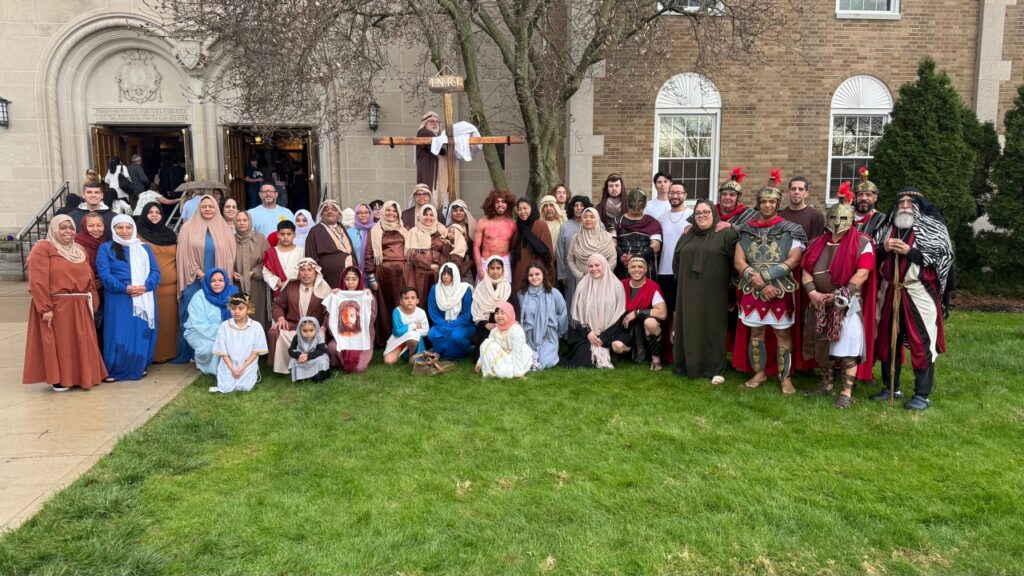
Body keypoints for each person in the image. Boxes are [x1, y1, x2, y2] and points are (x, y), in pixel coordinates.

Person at [870, 187, 954, 411]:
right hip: (890, 290)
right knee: (888, 340)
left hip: (918, 291)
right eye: (901, 202)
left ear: (919, 206)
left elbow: (941, 258)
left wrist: (910, 252)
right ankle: (891, 387)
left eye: (910, 202)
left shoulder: (934, 228)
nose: (904, 205)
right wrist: (884, 247)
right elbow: (871, 252)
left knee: (922, 342)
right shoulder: (887, 227)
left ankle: (922, 394)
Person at [800, 184, 877, 408]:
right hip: (819, 303)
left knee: (847, 349)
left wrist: (841, 294)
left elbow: (863, 273)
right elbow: (806, 269)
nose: (837, 221)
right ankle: (826, 384)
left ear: (851, 219)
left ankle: (846, 391)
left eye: (842, 217)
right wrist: (812, 292)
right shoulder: (816, 244)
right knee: (823, 345)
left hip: (847, 304)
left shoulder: (863, 242)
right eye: (834, 216)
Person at [732, 170, 808, 394]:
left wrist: (765, 278)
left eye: (771, 201)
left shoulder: (791, 229)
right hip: (753, 287)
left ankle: (785, 378)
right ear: (758, 204)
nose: (766, 205)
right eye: (763, 201)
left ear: (777, 203)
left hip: (780, 288)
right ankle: (759, 373)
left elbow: (794, 259)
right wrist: (759, 282)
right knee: (756, 333)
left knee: (782, 333)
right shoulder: (746, 230)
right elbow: (739, 261)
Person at [23, 215, 108, 390]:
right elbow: (37, 281)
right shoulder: (43, 248)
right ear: (54, 229)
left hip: (81, 305)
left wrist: (93, 298)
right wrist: (45, 307)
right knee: (62, 345)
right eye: (63, 228)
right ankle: (61, 378)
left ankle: (80, 376)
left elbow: (89, 277)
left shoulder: (78, 249)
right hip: (58, 306)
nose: (68, 231)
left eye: (70, 227)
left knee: (81, 343)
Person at [673, 199, 739, 383]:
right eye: (698, 213)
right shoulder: (687, 235)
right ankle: (687, 365)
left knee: (712, 327)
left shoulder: (726, 235)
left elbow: (737, 262)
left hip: (714, 291)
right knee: (689, 326)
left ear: (714, 214)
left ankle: (713, 367)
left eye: (706, 212)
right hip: (687, 290)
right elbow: (677, 259)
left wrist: (731, 286)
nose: (701, 216)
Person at [173, 195, 236, 363]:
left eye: (211, 206)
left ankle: (214, 352)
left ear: (216, 208)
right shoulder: (187, 228)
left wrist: (217, 278)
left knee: (214, 315)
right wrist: (201, 273)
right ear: (198, 209)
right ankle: (189, 354)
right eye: (204, 206)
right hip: (195, 279)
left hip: (218, 282)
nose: (208, 209)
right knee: (190, 316)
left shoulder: (224, 229)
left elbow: (230, 255)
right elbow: (184, 255)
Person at [602, 257, 667, 370]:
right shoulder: (621, 285)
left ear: (646, 269)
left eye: (640, 267)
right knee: (616, 346)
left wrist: (637, 313)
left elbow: (662, 313)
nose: (637, 270)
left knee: (650, 322)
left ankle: (655, 359)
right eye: (633, 267)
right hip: (626, 329)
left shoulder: (653, 287)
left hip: (645, 329)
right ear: (628, 269)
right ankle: (631, 350)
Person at [562, 253, 625, 369]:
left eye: (597, 265)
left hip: (609, 335)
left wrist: (603, 337)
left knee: (609, 358)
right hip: (585, 335)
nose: (594, 269)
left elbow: (619, 315)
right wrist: (588, 333)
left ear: (604, 265)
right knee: (584, 358)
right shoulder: (582, 285)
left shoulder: (616, 286)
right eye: (590, 266)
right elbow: (576, 316)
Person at [269, 258, 330, 374]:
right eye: (302, 270)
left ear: (316, 272)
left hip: (313, 329)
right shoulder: (291, 286)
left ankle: (310, 367)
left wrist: (323, 327)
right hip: (293, 325)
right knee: (274, 332)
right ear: (298, 272)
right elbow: (277, 304)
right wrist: (280, 318)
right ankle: (283, 367)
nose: (306, 273)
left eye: (309, 270)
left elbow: (329, 312)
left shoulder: (324, 288)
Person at [135, 202, 179, 363]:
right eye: (150, 212)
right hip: (148, 290)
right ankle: (150, 356)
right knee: (151, 323)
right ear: (144, 214)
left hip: (170, 290)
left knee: (168, 324)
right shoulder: (138, 235)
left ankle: (168, 354)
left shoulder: (171, 235)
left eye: (158, 212)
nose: (154, 215)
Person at [366, 200, 409, 346]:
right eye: (388, 210)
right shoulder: (375, 230)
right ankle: (385, 338)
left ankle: (402, 336)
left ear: (398, 213)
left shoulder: (405, 229)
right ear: (383, 212)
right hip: (383, 273)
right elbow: (370, 254)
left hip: (402, 273)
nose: (391, 213)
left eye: (394, 211)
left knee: (401, 303)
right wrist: (371, 278)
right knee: (384, 306)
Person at [656, 182, 692, 348]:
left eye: (679, 193)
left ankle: (678, 343)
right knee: (667, 308)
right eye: (672, 193)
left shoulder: (693, 216)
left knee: (681, 308)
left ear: (685, 195)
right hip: (663, 270)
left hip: (684, 270)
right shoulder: (662, 217)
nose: (675, 196)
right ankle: (667, 345)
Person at [183, 268, 238, 375]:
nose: (217, 283)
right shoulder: (199, 297)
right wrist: (224, 334)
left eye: (221, 280)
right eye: (213, 281)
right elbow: (199, 325)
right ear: (208, 281)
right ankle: (205, 364)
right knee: (210, 348)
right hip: (199, 333)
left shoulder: (233, 294)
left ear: (226, 281)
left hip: (228, 331)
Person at [210, 292, 269, 393]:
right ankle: (229, 375)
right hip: (229, 363)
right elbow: (223, 351)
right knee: (226, 387)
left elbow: (256, 351)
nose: (236, 311)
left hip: (247, 363)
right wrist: (232, 368)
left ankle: (249, 374)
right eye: (233, 308)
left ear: (249, 310)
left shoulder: (256, 327)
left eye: (241, 308)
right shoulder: (224, 326)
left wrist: (242, 368)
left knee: (245, 387)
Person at [324, 267, 376, 373]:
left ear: (359, 280)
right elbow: (331, 316)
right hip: (343, 334)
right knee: (332, 347)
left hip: (362, 335)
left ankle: (351, 361)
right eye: (347, 279)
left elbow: (371, 318)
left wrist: (368, 298)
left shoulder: (366, 296)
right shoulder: (337, 295)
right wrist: (333, 296)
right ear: (342, 280)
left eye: (354, 279)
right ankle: (341, 361)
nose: (350, 283)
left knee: (358, 368)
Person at [517, 263, 567, 370]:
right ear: (527, 277)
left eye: (537, 274)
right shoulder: (521, 295)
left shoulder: (554, 293)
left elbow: (562, 314)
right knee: (525, 360)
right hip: (528, 336)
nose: (534, 277)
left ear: (543, 275)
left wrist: (560, 332)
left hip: (548, 336)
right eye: (531, 275)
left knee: (544, 361)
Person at [471, 256, 520, 355]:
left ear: (503, 270)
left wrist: (508, 323)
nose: (495, 271)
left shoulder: (509, 287)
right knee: (480, 356)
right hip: (487, 325)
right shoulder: (481, 287)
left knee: (505, 353)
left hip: (506, 325)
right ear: (487, 270)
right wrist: (485, 324)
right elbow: (476, 310)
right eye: (492, 268)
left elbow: (516, 308)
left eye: (498, 268)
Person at [304, 199, 357, 290]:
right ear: (321, 214)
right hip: (328, 278)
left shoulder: (342, 228)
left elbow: (351, 251)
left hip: (349, 276)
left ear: (339, 214)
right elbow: (310, 257)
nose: (330, 211)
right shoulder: (315, 230)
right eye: (326, 209)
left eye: (334, 209)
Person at [427, 263, 476, 360]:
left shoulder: (464, 289)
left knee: (455, 336)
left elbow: (467, 315)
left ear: (455, 275)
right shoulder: (435, 289)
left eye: (449, 274)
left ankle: (458, 353)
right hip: (441, 324)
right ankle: (445, 351)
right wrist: (443, 324)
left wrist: (450, 325)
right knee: (432, 334)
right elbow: (433, 312)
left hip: (463, 324)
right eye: (443, 274)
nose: (445, 277)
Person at [405, 204, 449, 311]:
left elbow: (446, 251)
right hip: (420, 273)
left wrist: (439, 263)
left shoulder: (442, 230)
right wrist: (430, 265)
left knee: (438, 300)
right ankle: (423, 325)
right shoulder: (414, 232)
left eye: (431, 215)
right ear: (420, 216)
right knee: (422, 300)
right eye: (425, 215)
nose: (429, 218)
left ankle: (436, 325)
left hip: (439, 272)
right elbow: (413, 254)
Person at [233, 210, 271, 328]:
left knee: (256, 316)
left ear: (250, 221)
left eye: (245, 220)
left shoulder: (260, 238)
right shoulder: (230, 239)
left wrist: (253, 272)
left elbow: (268, 261)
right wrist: (232, 272)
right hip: (237, 285)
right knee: (238, 316)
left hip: (256, 284)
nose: (242, 223)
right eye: (238, 220)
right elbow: (225, 261)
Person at [476, 302, 533, 378]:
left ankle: (512, 372)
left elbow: (518, 352)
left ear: (510, 314)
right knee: (486, 342)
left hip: (518, 357)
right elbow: (486, 347)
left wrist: (518, 374)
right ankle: (494, 371)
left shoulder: (516, 330)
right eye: (497, 313)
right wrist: (480, 363)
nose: (499, 316)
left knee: (505, 374)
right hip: (503, 356)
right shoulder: (495, 330)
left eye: (503, 313)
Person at [614, 188, 662, 278]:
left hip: (644, 267)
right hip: (621, 265)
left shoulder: (652, 222)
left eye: (640, 201)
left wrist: (635, 257)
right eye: (633, 201)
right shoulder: (617, 220)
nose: (636, 204)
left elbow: (655, 246)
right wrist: (621, 255)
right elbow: (611, 242)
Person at [556, 195, 592, 310]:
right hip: (570, 272)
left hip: (591, 270)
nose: (579, 208)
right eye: (576, 205)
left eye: (582, 205)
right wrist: (562, 274)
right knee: (572, 303)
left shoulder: (596, 225)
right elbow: (560, 252)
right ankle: (572, 327)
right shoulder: (565, 227)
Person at [511, 197, 556, 288]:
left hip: (535, 271)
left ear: (532, 208)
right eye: (519, 209)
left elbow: (545, 252)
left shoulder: (540, 224)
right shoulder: (517, 226)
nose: (522, 212)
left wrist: (536, 271)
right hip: (519, 270)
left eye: (525, 208)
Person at [567, 207, 617, 287]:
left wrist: (602, 274)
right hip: (583, 281)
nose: (588, 219)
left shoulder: (607, 237)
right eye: (585, 217)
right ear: (582, 219)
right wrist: (579, 274)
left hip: (603, 281)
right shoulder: (576, 238)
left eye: (592, 216)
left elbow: (612, 259)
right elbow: (570, 259)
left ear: (597, 219)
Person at [474, 189, 517, 279]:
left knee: (505, 292)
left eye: (503, 202)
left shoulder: (512, 224)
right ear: (491, 204)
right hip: (486, 262)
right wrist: (479, 267)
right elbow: (476, 247)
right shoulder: (482, 222)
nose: (500, 204)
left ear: (508, 204)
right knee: (484, 292)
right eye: (497, 202)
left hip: (505, 262)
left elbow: (513, 246)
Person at [383, 287, 429, 364]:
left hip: (415, 340)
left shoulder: (421, 312)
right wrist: (414, 325)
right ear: (401, 301)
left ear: (417, 301)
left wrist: (408, 331)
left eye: (413, 298)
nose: (410, 300)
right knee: (388, 361)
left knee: (414, 335)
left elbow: (425, 331)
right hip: (399, 339)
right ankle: (403, 353)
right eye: (406, 298)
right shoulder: (397, 311)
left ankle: (412, 355)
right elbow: (397, 332)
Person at [263, 220, 305, 297]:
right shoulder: (271, 252)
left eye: (289, 234)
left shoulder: (302, 251)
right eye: (282, 234)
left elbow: (304, 269)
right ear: (277, 235)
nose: (285, 237)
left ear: (294, 235)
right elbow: (266, 272)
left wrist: (290, 283)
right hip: (278, 291)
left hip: (297, 289)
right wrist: (278, 283)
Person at [779, 176, 825, 242]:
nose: (796, 192)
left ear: (806, 194)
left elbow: (817, 244)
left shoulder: (816, 216)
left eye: (800, 189)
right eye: (793, 189)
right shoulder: (780, 216)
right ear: (788, 193)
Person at [288, 316, 331, 383]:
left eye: (311, 330)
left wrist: (308, 356)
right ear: (299, 330)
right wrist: (299, 355)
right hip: (302, 357)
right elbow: (291, 350)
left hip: (315, 356)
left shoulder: (319, 336)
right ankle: (301, 378)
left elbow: (322, 350)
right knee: (293, 361)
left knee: (322, 360)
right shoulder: (297, 337)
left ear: (316, 329)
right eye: (305, 331)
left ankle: (319, 377)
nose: (308, 333)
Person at [416, 111, 446, 198]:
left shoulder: (434, 136)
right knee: (427, 190)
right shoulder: (424, 132)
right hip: (427, 164)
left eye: (437, 122)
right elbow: (441, 150)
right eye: (432, 121)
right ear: (425, 123)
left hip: (431, 164)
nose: (435, 124)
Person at [445, 198, 476, 283]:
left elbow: (476, 248)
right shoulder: (446, 229)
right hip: (450, 266)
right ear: (451, 213)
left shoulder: (471, 229)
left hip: (468, 267)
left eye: (461, 210)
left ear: (465, 212)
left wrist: (468, 265)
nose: (458, 213)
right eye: (455, 210)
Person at [853, 168, 887, 239]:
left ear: (875, 198)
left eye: (868, 195)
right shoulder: (844, 216)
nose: (864, 198)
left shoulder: (882, 220)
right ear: (855, 197)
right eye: (860, 194)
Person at [349, 203, 374, 275]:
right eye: (359, 213)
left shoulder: (377, 229)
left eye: (366, 212)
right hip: (356, 273)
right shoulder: (349, 232)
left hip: (376, 272)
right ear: (356, 215)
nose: (363, 215)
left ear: (370, 213)